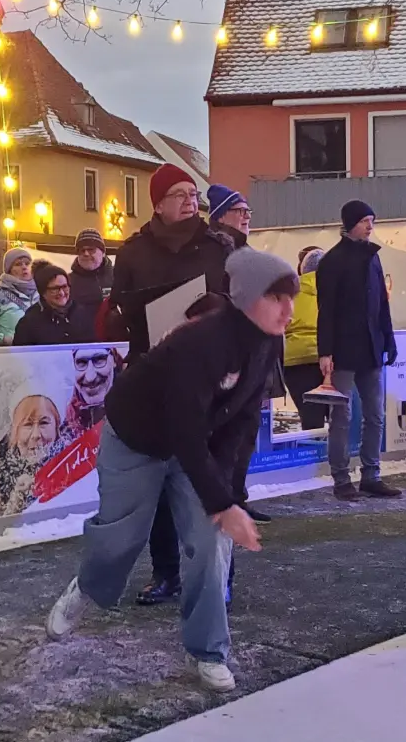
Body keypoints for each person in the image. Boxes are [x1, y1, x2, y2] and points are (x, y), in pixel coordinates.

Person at [46, 248, 296, 693]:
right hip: (137, 437)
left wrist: (230, 497)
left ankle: (209, 649)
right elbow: (183, 428)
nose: (289, 309)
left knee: (210, 541)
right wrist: (222, 500)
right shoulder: (201, 342)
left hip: (193, 444)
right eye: (278, 297)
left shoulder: (267, 341)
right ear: (246, 298)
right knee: (123, 535)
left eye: (290, 297)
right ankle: (87, 585)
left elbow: (242, 419)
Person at [104, 163, 234, 605]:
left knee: (213, 475)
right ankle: (166, 573)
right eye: (178, 194)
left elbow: (239, 302)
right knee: (158, 481)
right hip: (153, 373)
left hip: (208, 374)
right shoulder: (134, 251)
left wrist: (218, 304)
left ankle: (218, 575)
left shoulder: (220, 245)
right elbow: (118, 308)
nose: (189, 200)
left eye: (193, 193)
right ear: (157, 204)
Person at [316, 200, 400, 501]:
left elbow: (381, 305)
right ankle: (340, 478)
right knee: (342, 416)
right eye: (365, 220)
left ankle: (371, 475)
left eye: (371, 220)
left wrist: (388, 340)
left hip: (371, 347)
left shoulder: (373, 257)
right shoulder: (332, 261)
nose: (370, 225)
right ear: (350, 223)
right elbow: (325, 310)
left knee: (375, 414)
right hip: (343, 348)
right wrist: (325, 351)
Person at [283, 248, 327, 431]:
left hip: (295, 361)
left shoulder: (289, 294)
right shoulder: (334, 290)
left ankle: (312, 454)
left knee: (310, 418)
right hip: (326, 358)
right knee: (338, 416)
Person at [14, 261, 97, 346]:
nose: (61, 293)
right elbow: (21, 355)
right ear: (43, 292)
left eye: (64, 287)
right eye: (55, 289)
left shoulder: (82, 314)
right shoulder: (29, 322)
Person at [0, 247, 39, 345]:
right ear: (9, 270)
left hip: (42, 353)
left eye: (27, 263)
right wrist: (2, 339)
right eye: (18, 264)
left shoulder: (41, 293)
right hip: (11, 355)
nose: (24, 267)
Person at [69, 229, 114, 308]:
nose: (86, 254)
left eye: (91, 250)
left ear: (103, 253)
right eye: (82, 250)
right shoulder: (68, 282)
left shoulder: (117, 276)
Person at [206, 183, 253, 249]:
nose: (248, 216)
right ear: (221, 217)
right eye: (241, 211)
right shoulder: (215, 250)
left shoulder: (239, 247)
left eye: (248, 211)